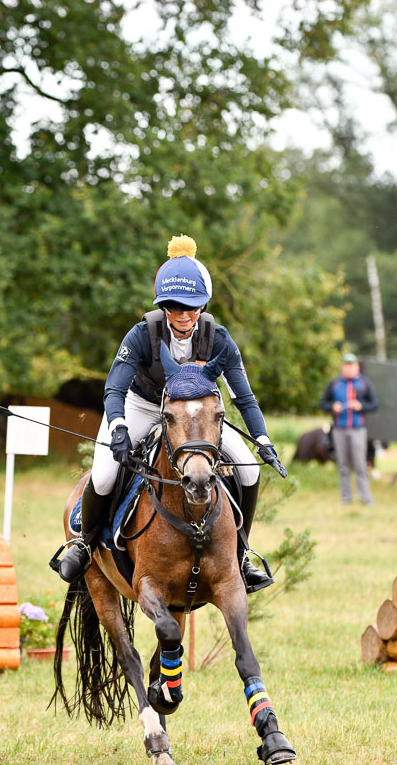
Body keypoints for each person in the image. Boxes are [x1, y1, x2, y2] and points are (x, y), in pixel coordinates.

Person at [55, 234, 287, 592]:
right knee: (102, 476)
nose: (183, 316)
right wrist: (117, 427)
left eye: (191, 308)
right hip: (143, 406)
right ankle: (85, 543)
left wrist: (263, 439)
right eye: (175, 307)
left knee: (249, 471)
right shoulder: (142, 334)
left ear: (203, 306)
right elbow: (114, 387)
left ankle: (241, 553)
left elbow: (244, 397)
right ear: (164, 307)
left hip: (196, 417)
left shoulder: (219, 339)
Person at [320, 353, 378, 505]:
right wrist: (333, 407)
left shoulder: (364, 383)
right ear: (342, 367)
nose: (349, 367)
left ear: (356, 367)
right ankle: (346, 499)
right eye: (346, 365)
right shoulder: (334, 384)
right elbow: (323, 404)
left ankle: (366, 498)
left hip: (358, 429)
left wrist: (361, 406)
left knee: (360, 465)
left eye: (352, 365)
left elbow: (374, 405)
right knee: (343, 465)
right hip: (339, 429)